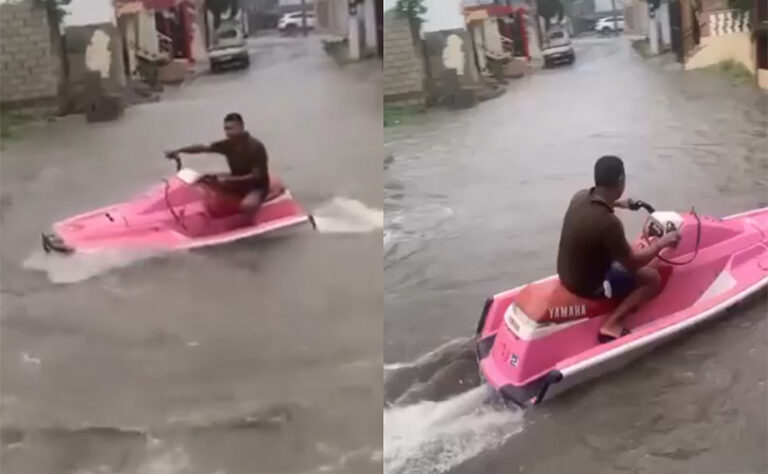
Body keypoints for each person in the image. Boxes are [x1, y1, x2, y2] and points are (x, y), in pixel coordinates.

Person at [556, 156, 680, 343]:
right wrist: (662, 243)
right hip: (587, 286)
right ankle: (611, 324)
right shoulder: (609, 223)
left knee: (623, 253)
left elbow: (598, 203)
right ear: (621, 180)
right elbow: (633, 262)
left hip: (565, 274)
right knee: (652, 278)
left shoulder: (579, 197)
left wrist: (620, 204)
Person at [165, 112, 269, 212]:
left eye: (231, 128)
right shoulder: (227, 145)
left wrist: (228, 180)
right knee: (205, 180)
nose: (228, 132)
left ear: (241, 127)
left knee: (247, 205)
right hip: (237, 180)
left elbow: (256, 176)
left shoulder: (255, 147)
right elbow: (203, 147)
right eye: (226, 129)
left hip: (257, 186)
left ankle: (249, 221)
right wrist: (179, 150)